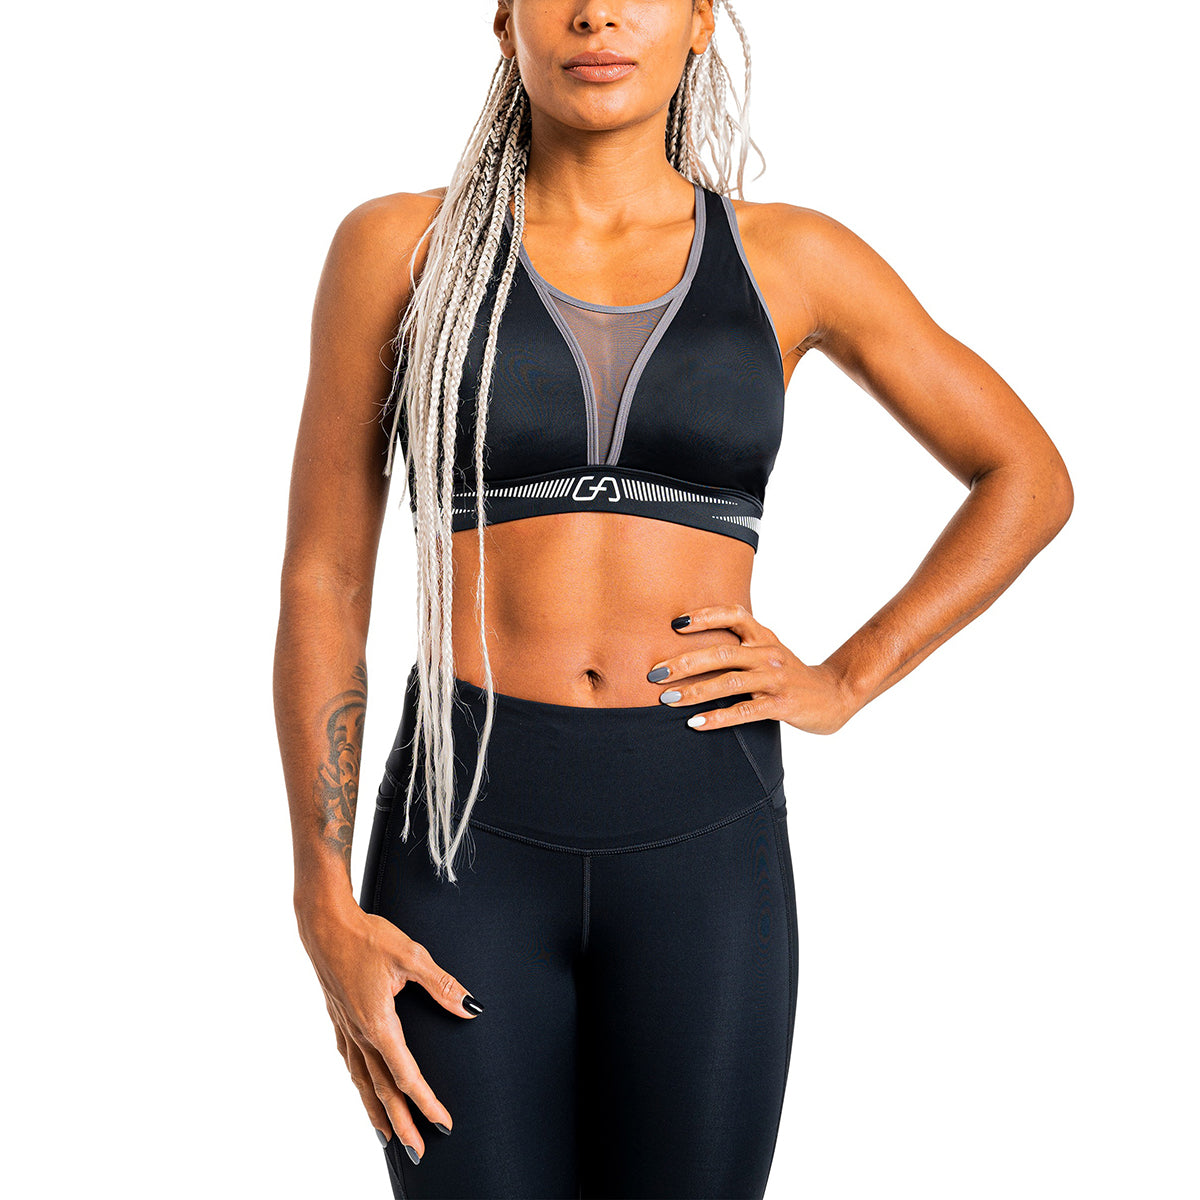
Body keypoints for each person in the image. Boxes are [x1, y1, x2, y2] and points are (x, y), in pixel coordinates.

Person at [272, 2, 1073, 1197]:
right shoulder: (401, 248)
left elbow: (1026, 477)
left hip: (704, 838)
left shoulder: (791, 258)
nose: (597, 13)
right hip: (461, 839)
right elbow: (326, 576)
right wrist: (321, 899)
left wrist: (847, 678)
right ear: (503, 17)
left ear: (699, 19)